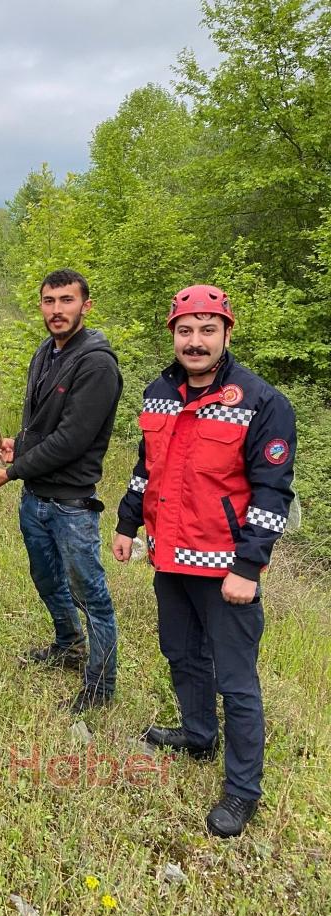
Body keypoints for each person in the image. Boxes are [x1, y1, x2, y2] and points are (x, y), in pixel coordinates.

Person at [112, 285, 297, 838]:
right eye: (185, 330)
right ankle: (197, 735)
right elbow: (148, 467)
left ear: (227, 333)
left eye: (207, 330)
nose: (195, 342)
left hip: (225, 570)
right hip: (170, 557)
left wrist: (248, 566)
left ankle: (242, 790)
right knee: (181, 655)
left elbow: (272, 495)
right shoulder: (158, 393)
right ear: (173, 333)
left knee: (236, 681)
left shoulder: (262, 402)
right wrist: (127, 523)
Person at [0, 269, 122, 713]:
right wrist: (17, 445)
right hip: (36, 499)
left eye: (66, 300)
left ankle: (100, 686)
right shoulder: (47, 351)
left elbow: (72, 440)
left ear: (85, 305)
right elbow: (43, 424)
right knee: (47, 580)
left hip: (72, 504)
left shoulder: (96, 363)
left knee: (90, 594)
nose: (57, 310)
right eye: (48, 301)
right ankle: (68, 644)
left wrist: (11, 471)